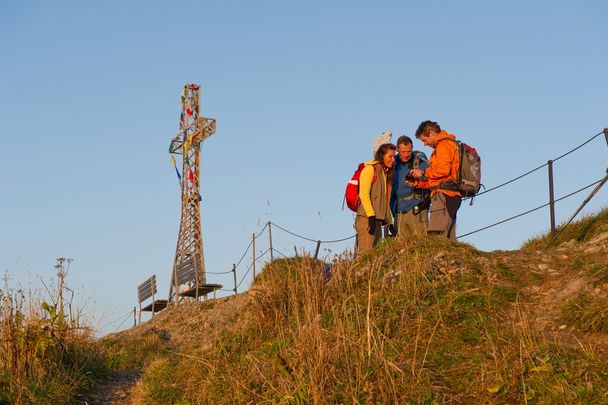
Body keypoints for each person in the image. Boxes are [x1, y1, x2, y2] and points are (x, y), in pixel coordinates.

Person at [406, 121, 462, 240]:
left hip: (443, 195)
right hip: (451, 193)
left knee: (436, 236)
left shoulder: (443, 145)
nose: (425, 144)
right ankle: (449, 258)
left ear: (432, 133)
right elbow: (439, 178)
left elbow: (443, 170)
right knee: (449, 236)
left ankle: (439, 259)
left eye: (424, 140)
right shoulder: (448, 144)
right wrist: (418, 183)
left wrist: (422, 172)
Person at [355, 143, 396, 254]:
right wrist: (371, 216)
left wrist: (389, 223)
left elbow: (384, 201)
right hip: (366, 218)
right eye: (390, 156)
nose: (393, 159)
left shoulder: (385, 173)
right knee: (366, 254)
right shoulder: (369, 169)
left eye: (394, 156)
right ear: (381, 156)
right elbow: (363, 194)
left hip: (377, 220)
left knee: (375, 255)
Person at [390, 135, 429, 237]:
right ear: (397, 149)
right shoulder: (392, 164)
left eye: (409, 151)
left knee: (422, 244)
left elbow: (431, 179)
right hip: (398, 212)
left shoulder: (420, 162)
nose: (407, 154)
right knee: (402, 247)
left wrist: (421, 175)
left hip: (417, 209)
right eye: (403, 151)